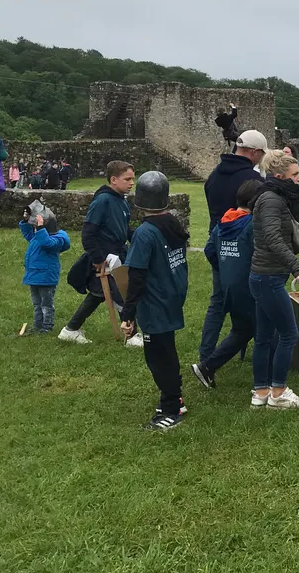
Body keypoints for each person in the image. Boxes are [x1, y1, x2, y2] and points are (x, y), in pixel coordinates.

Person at [117, 171, 190, 431]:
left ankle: (171, 408)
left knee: (159, 358)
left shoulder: (145, 233)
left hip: (155, 302)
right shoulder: (172, 222)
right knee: (166, 352)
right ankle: (174, 399)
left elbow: (136, 276)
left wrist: (128, 314)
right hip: (171, 296)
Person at [249, 149, 299, 410]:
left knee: (264, 336)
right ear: (279, 176)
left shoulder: (274, 198)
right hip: (269, 279)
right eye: (295, 175)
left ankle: (261, 392)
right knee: (289, 334)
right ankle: (278, 392)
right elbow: (275, 240)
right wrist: (298, 268)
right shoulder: (272, 200)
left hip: (264, 277)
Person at [199, 129, 269, 363]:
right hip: (244, 244)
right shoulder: (253, 181)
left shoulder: (214, 175)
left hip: (218, 239)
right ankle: (261, 352)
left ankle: (207, 354)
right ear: (253, 152)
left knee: (218, 302)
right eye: (260, 154)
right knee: (253, 301)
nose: (260, 159)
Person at [193, 179, 263, 390]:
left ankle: (207, 367)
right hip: (250, 287)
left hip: (230, 288)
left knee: (242, 330)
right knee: (267, 331)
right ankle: (266, 382)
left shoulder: (223, 222)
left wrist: (225, 269)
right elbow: (260, 254)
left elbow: (210, 251)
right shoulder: (252, 225)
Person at [60, 161, 138, 345]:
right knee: (122, 292)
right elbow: (88, 233)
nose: (131, 183)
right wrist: (98, 259)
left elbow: (124, 229)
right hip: (106, 257)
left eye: (132, 179)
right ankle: (132, 336)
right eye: (127, 179)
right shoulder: (102, 200)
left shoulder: (122, 201)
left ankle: (70, 329)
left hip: (118, 254)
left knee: (98, 293)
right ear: (113, 180)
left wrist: (141, 239)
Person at [20, 206, 70, 334]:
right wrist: (25, 221)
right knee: (37, 304)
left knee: (46, 304)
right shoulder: (37, 236)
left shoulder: (58, 238)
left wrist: (41, 228)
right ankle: (37, 325)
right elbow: (28, 234)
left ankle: (47, 326)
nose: (35, 228)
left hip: (46, 277)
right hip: (34, 276)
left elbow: (47, 244)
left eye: (36, 226)